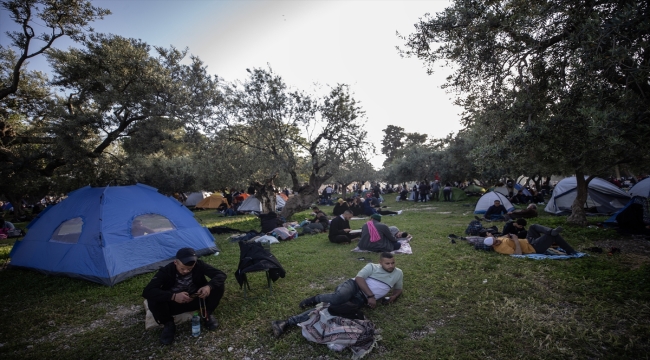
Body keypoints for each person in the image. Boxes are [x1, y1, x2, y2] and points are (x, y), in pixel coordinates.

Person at [271, 252, 403, 337]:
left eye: (393, 263)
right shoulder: (372, 267)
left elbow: (398, 290)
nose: (391, 266)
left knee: (331, 309)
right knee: (338, 298)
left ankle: (284, 323)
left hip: (361, 299)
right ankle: (315, 298)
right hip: (354, 286)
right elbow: (359, 279)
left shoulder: (398, 273)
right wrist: (371, 296)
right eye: (387, 263)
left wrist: (393, 296)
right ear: (380, 262)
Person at [142, 248, 227, 345]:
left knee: (218, 285)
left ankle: (207, 313)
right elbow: (147, 291)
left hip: (197, 300)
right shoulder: (166, 271)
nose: (186, 271)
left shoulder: (199, 265)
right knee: (153, 298)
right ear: (175, 262)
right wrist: (173, 296)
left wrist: (208, 286)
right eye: (182, 268)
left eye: (189, 269)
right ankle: (168, 324)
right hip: (174, 304)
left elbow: (220, 274)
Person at [484, 225, 576, 255]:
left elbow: (502, 238)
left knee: (532, 227)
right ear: (493, 245)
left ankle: (551, 231)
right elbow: (518, 254)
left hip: (528, 240)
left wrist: (508, 235)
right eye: (496, 242)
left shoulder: (497, 239)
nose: (498, 241)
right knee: (552, 237)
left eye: (495, 238)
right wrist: (516, 240)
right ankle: (571, 251)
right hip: (534, 247)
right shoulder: (500, 248)